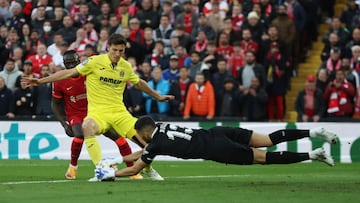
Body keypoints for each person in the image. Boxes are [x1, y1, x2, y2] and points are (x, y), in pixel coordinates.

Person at [22, 34, 174, 181]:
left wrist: (157, 96)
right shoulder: (94, 62)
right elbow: (69, 72)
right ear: (108, 48)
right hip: (98, 113)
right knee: (87, 127)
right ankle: (100, 170)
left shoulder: (125, 67)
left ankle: (147, 169)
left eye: (121, 51)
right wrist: (40, 81)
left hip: (120, 114)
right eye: (114, 50)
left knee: (147, 143)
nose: (117, 53)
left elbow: (139, 82)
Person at [94, 115, 337, 180]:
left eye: (139, 135)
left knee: (265, 158)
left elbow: (136, 167)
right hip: (217, 132)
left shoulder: (155, 143)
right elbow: (143, 153)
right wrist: (117, 158)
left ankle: (313, 154)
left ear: (145, 132)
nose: (139, 138)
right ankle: (314, 132)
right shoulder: (161, 128)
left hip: (217, 149)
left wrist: (112, 173)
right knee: (269, 139)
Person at [51, 50, 142, 180]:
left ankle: (133, 171)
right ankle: (73, 167)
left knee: (119, 138)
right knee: (79, 135)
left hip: (96, 113)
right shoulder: (59, 80)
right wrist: (63, 124)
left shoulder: (89, 72)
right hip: (75, 114)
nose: (71, 65)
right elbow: (55, 104)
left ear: (79, 61)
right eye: (68, 63)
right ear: (64, 64)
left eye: (73, 62)